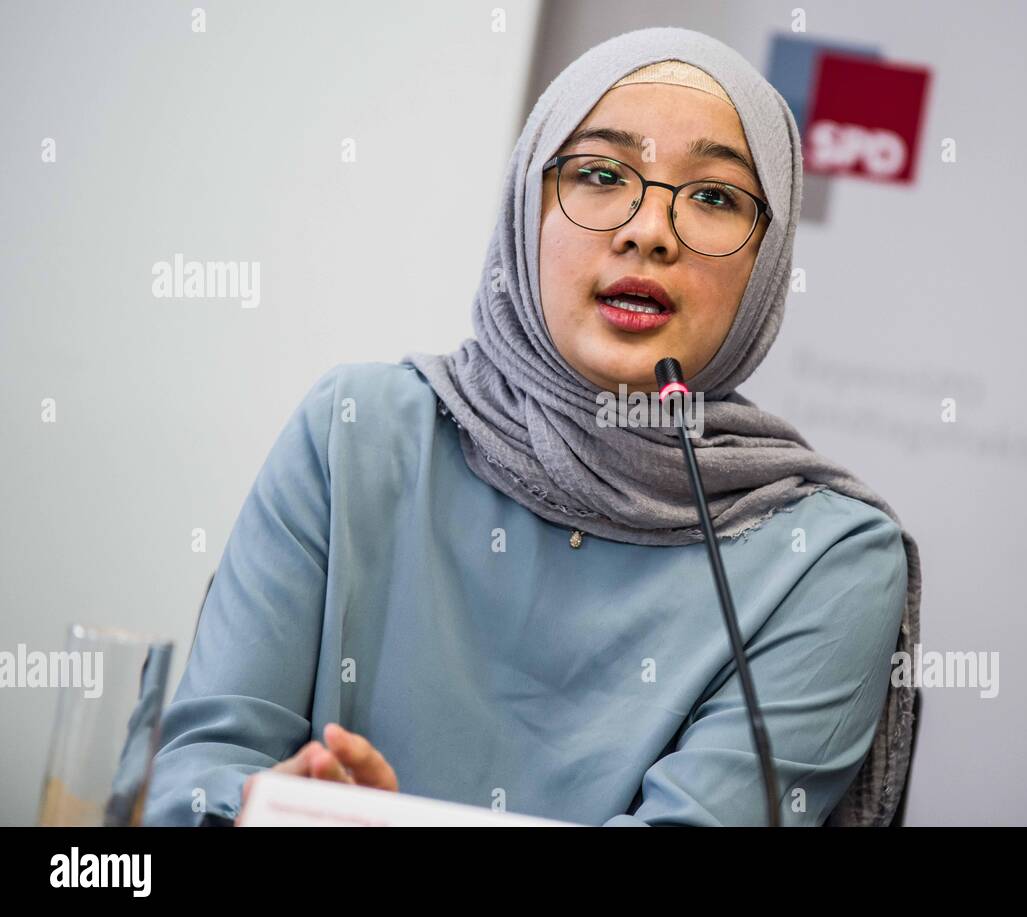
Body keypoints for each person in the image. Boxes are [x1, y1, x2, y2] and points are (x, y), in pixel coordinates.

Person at [142, 26, 923, 828]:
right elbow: (196, 773)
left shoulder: (827, 557)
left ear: (767, 262)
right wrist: (266, 807)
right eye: (599, 173)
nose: (648, 231)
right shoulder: (354, 432)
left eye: (715, 196)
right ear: (528, 206)